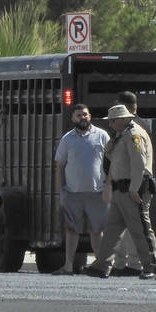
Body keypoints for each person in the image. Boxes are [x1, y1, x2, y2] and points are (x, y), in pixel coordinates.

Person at [83, 104, 156, 280]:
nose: (110, 124)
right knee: (112, 230)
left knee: (140, 229)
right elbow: (113, 161)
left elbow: (139, 163)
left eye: (113, 120)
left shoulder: (134, 135)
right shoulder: (121, 135)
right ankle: (101, 265)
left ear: (125, 119)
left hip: (134, 188)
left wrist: (134, 188)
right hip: (120, 189)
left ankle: (151, 267)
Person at [53, 103, 110, 275]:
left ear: (90, 116)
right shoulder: (67, 139)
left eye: (85, 114)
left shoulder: (102, 136)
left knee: (97, 231)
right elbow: (60, 165)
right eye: (78, 115)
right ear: (73, 118)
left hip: (97, 193)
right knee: (71, 230)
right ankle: (68, 266)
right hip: (72, 193)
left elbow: (111, 161)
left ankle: (100, 266)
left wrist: (109, 185)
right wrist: (60, 191)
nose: (82, 118)